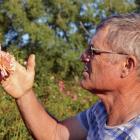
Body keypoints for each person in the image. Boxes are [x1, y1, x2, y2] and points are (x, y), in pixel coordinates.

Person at [1, 13, 140, 140]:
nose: (83, 57)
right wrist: (24, 93)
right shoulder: (100, 112)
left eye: (92, 51)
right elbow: (55, 134)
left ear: (127, 65)